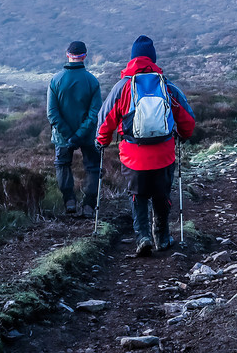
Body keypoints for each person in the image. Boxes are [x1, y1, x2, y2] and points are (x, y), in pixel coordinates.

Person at [96, 35, 195, 255]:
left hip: (133, 157)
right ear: (153, 58)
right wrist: (183, 134)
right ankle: (163, 237)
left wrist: (101, 141)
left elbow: (105, 120)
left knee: (138, 196)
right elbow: (187, 119)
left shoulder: (122, 88)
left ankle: (142, 237)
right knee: (161, 195)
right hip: (164, 154)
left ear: (132, 59)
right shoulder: (166, 86)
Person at [47, 40, 102, 218]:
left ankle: (69, 201)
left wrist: (69, 135)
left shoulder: (55, 80)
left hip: (62, 137)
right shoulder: (92, 81)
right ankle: (89, 205)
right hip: (87, 136)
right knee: (93, 167)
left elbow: (52, 113)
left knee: (62, 165)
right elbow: (95, 113)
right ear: (85, 56)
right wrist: (79, 134)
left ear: (67, 54)